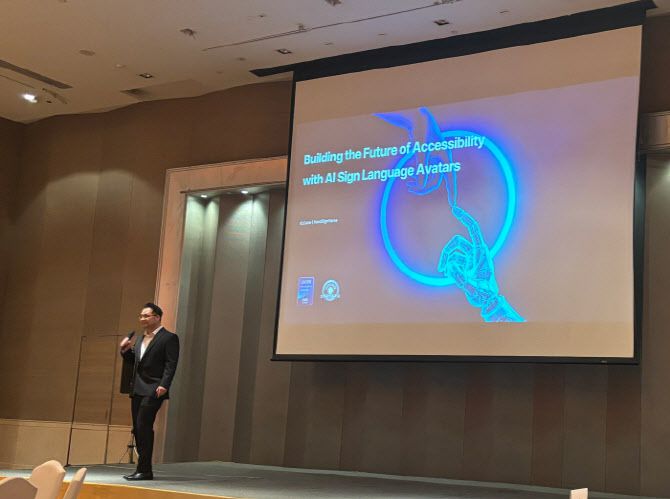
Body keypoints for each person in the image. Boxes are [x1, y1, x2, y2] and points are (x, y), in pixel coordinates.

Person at [119, 302, 179, 480]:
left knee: (144, 425)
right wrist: (125, 351)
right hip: (137, 388)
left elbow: (171, 364)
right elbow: (136, 362)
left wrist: (164, 384)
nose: (142, 319)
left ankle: (145, 470)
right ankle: (143, 468)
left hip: (154, 388)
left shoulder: (169, 338)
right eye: (141, 316)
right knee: (138, 428)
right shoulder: (140, 339)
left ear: (157, 317)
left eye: (146, 315)